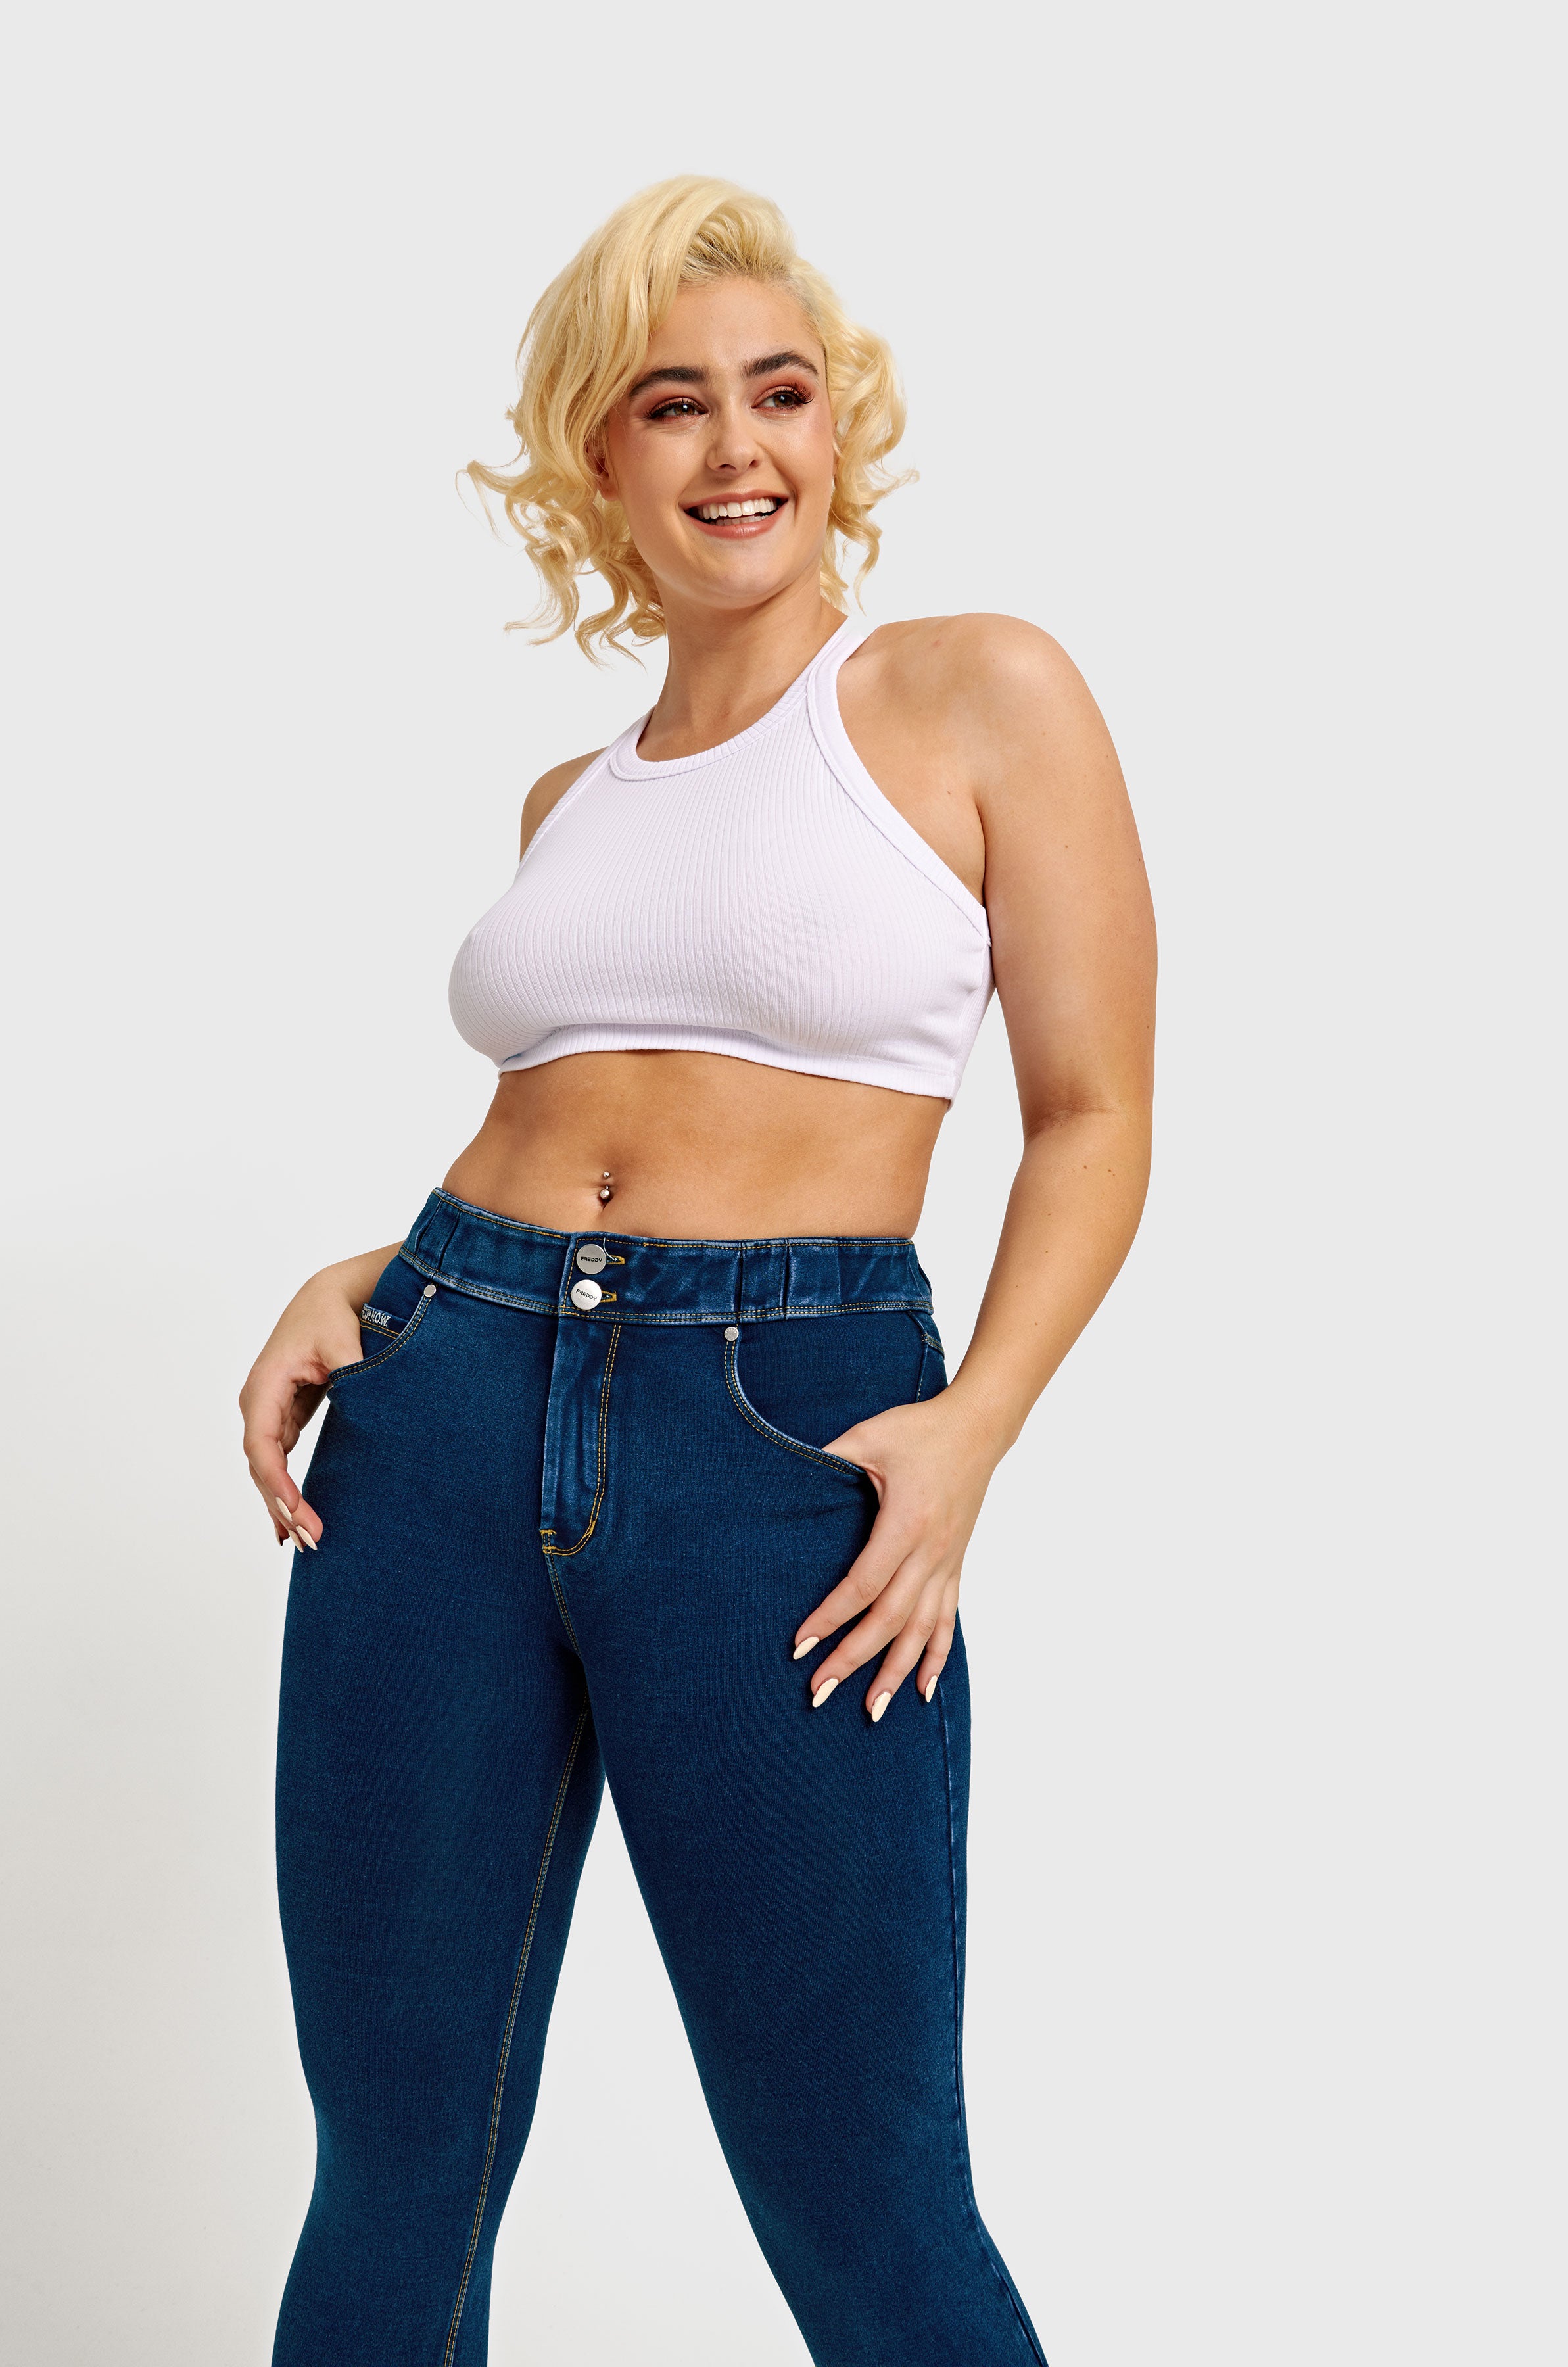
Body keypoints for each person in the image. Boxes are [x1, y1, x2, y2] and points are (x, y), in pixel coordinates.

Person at [241, 175, 1155, 2367]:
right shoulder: (571, 794)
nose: (739, 445)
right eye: (674, 403)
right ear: (602, 456)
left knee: (864, 2193)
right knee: (395, 2171)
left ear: (840, 425)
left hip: (783, 1444)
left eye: (781, 391)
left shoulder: (974, 692)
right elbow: (576, 1133)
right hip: (440, 1412)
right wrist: (371, 1275)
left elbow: (1095, 1113)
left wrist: (974, 1430)